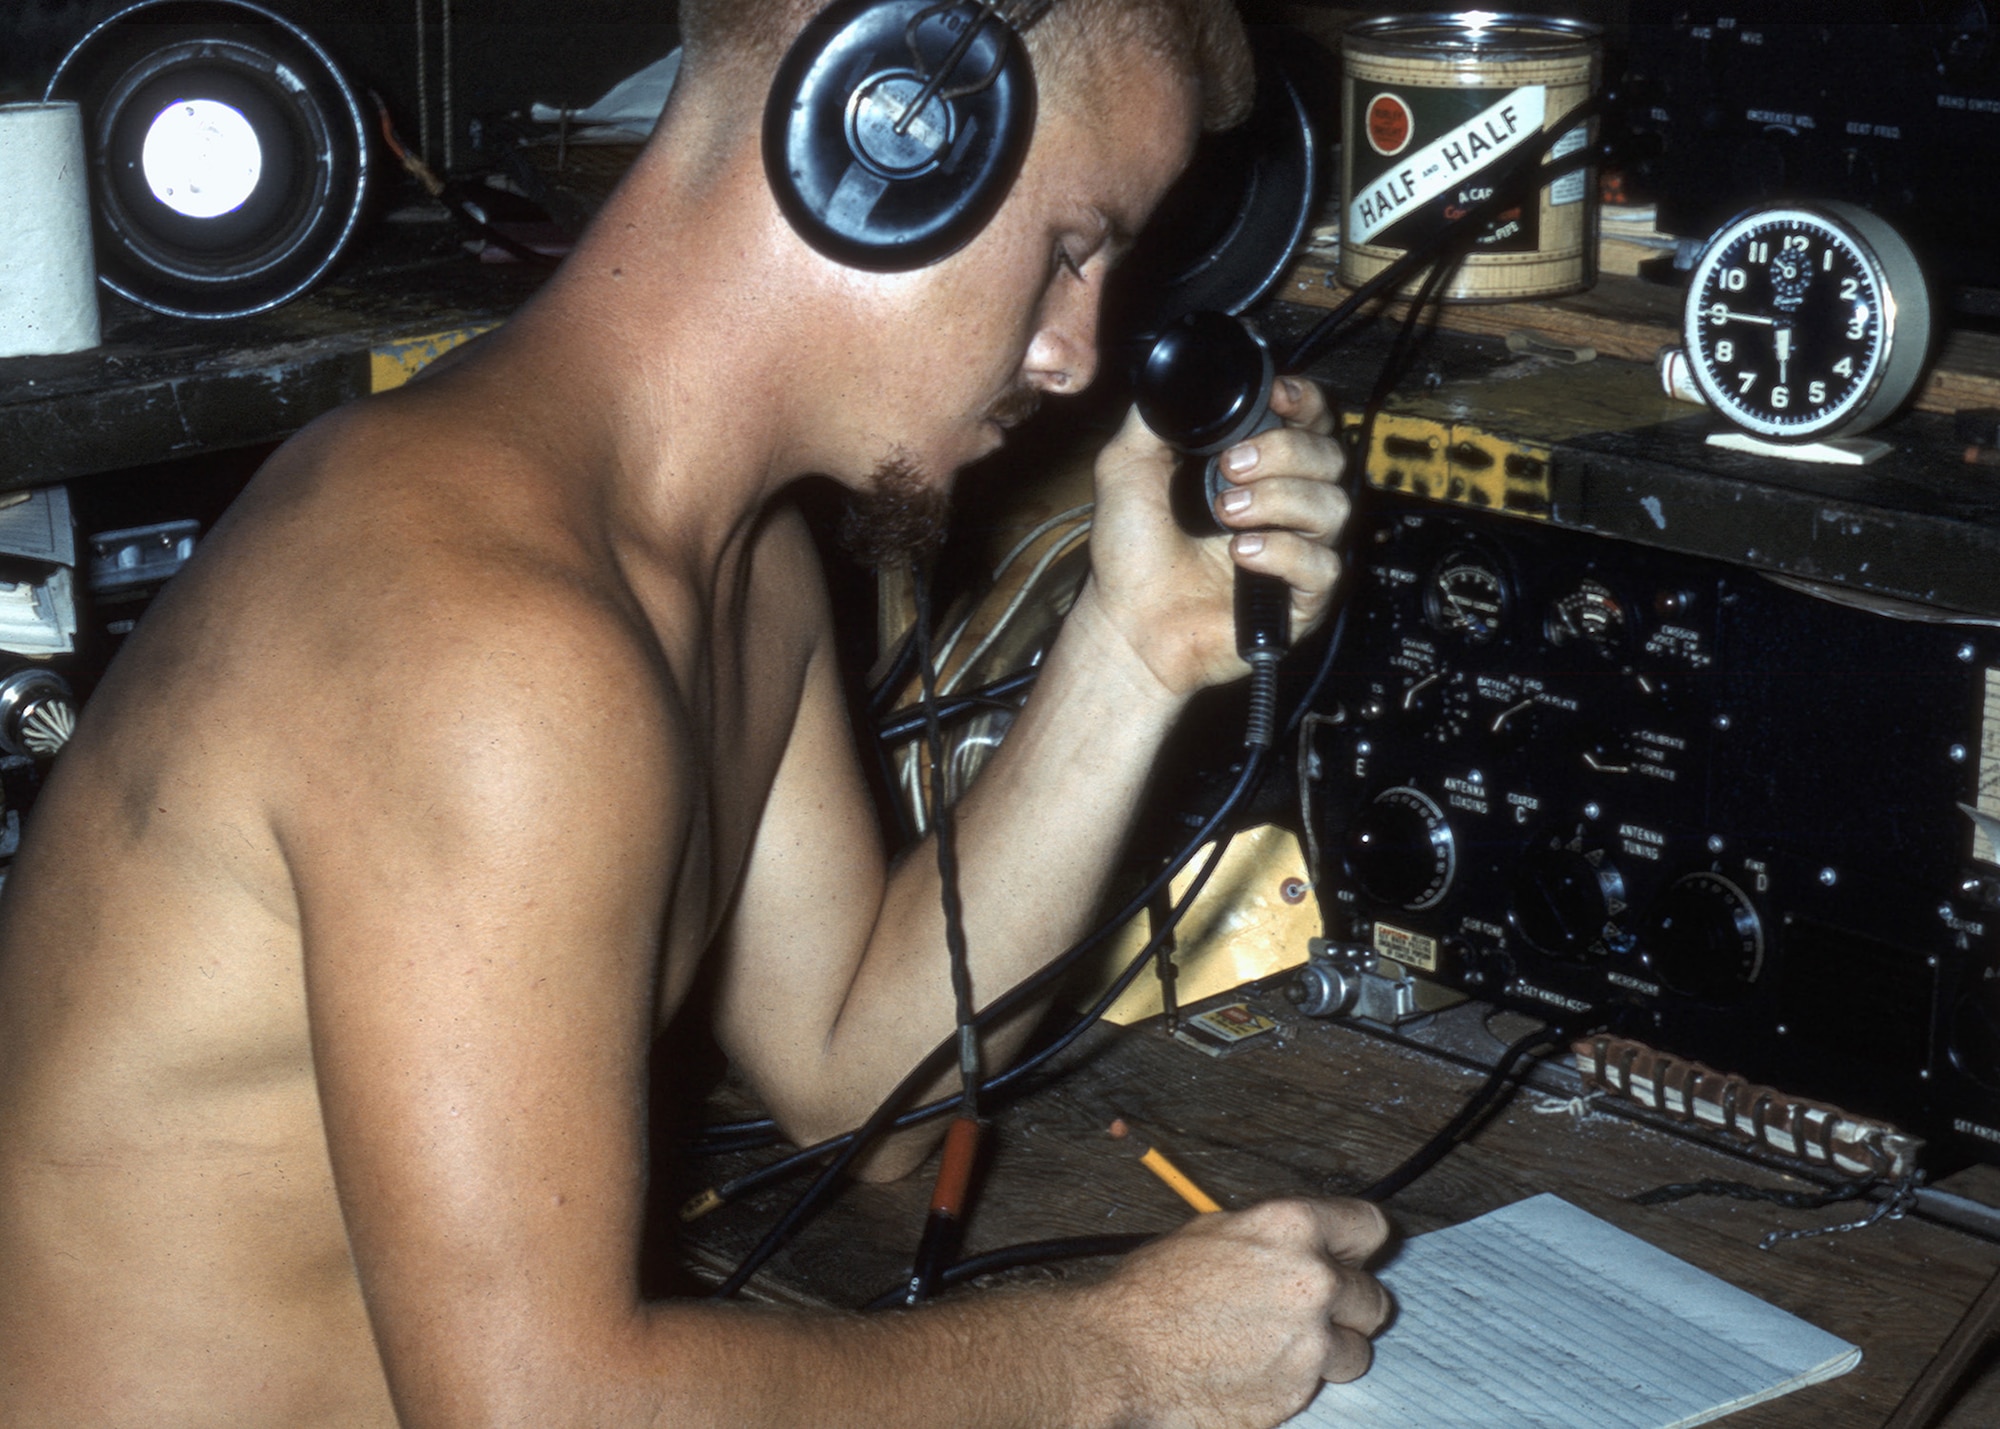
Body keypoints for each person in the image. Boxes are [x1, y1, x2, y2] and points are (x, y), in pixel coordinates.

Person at [0, 1, 1390, 1424]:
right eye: (1072, 250)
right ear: (887, 130)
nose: (1076, 355)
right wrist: (1122, 1359)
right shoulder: (487, 635)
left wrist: (1135, 650)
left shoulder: (738, 563)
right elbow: (535, 1411)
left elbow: (862, 1094)